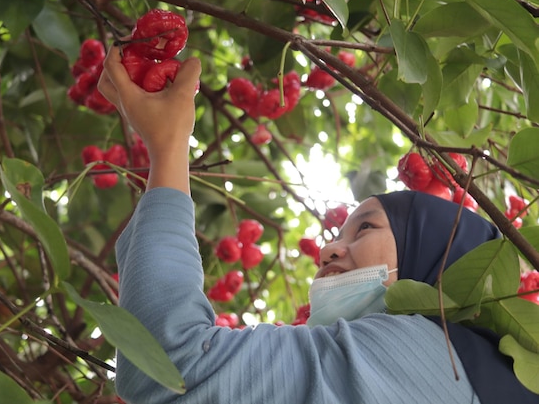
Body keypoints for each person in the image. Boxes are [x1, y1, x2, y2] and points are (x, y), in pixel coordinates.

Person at [97, 45, 539, 404]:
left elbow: (167, 364)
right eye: (338, 233)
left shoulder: (430, 353)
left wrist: (168, 145)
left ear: (434, 253)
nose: (327, 250)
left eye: (365, 229)